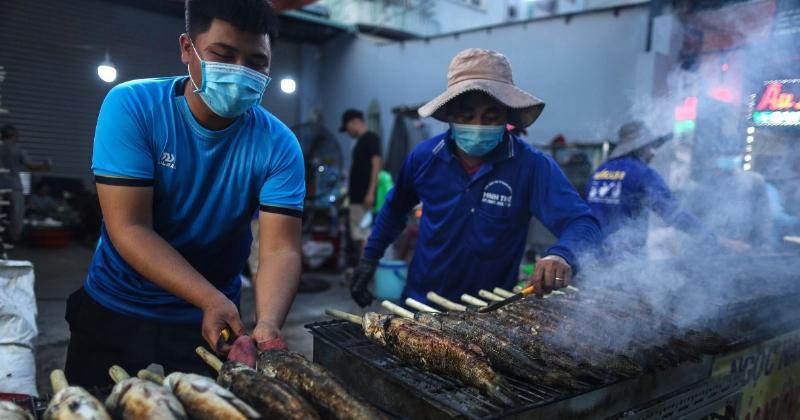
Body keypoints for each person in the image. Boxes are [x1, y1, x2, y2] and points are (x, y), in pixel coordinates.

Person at [64, 0, 305, 388]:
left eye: (257, 62)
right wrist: (208, 297)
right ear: (186, 48)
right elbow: (130, 227)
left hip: (213, 323)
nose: (240, 72)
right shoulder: (134, 107)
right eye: (223, 55)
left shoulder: (279, 144)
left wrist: (269, 322)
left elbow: (280, 249)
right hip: (118, 305)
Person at [349, 48, 601, 306]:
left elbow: (583, 223)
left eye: (491, 117)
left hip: (488, 313)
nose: (478, 126)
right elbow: (394, 208)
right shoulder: (424, 157)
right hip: (420, 305)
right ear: (449, 116)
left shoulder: (532, 167)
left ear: (507, 116)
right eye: (466, 116)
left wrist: (562, 255)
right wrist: (370, 257)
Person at [586, 121, 747, 255]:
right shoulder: (642, 173)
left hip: (592, 256)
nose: (654, 153)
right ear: (639, 148)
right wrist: (716, 239)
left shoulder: (599, 172)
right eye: (650, 147)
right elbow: (673, 213)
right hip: (625, 260)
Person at [0, 125, 52, 242]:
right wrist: (45, 165)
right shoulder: (17, 149)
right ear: (13, 136)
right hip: (14, 187)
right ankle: (12, 241)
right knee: (16, 216)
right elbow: (30, 166)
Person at [341, 109, 383, 252]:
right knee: (359, 235)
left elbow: (376, 164)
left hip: (363, 198)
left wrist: (371, 193)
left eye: (347, 128)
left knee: (363, 235)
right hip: (357, 197)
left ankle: (364, 271)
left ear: (354, 122)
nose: (348, 132)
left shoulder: (370, 138)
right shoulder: (359, 142)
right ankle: (361, 269)